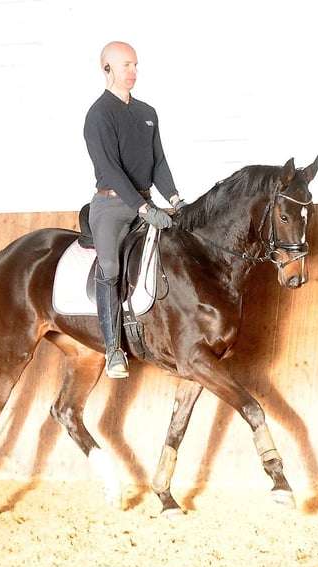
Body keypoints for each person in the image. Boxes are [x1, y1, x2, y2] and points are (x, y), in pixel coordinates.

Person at [84, 41, 186, 379]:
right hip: (112, 205)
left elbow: (158, 162)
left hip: (145, 202)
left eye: (136, 65)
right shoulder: (99, 115)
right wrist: (142, 207)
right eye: (126, 65)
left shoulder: (147, 113)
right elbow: (110, 168)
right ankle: (113, 349)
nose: (133, 72)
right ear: (107, 69)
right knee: (110, 265)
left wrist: (174, 200)